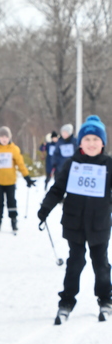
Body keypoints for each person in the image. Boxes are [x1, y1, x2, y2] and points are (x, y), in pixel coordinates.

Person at [37, 115, 112, 324]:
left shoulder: (108, 164)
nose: (91, 144)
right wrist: (45, 209)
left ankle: (106, 298)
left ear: (103, 143)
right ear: (80, 143)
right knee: (75, 263)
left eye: (95, 140)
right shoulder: (72, 163)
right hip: (75, 223)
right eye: (87, 139)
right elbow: (57, 189)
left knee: (101, 264)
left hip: (99, 224)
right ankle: (67, 301)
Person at [0, 126, 36, 232]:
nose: (4, 139)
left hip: (10, 181)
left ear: (9, 137)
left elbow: (20, 164)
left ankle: (13, 220)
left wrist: (27, 177)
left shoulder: (14, 149)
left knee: (11, 201)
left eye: (6, 136)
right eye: (2, 136)